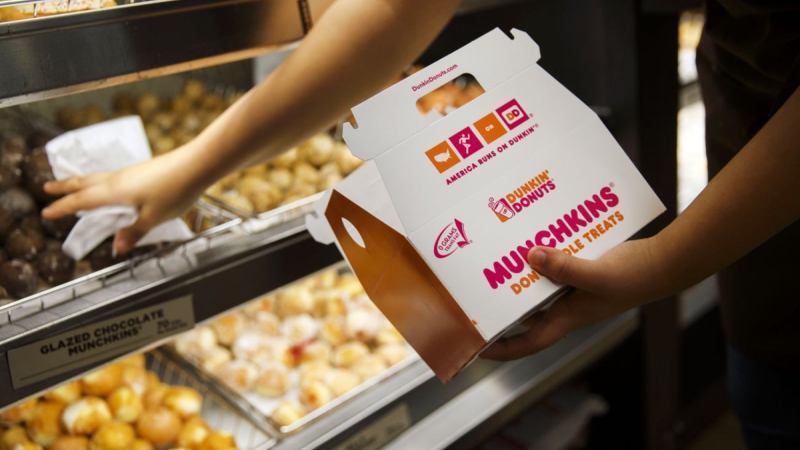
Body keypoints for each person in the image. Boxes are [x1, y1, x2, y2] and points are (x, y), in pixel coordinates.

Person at [41, 0, 799, 447]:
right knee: (765, 392)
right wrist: (192, 167)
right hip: (757, 215)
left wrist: (670, 262)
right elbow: (398, 11)